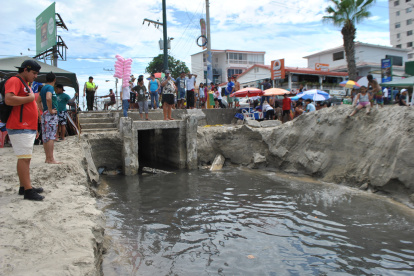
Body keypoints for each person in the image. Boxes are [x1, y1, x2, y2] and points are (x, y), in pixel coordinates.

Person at [4, 60, 44, 200]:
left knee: (24, 157)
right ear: (25, 70)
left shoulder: (24, 83)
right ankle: (28, 191)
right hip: (20, 125)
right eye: (33, 73)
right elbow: (9, 99)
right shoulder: (15, 80)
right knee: (24, 158)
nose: (35, 76)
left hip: (26, 126)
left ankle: (24, 186)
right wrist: (31, 98)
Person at [37, 72, 61, 164]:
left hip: (45, 114)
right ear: (54, 79)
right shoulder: (50, 87)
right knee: (51, 136)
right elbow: (48, 98)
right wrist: (50, 110)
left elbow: (38, 101)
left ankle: (47, 158)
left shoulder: (43, 88)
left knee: (46, 136)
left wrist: (44, 110)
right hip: (50, 115)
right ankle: (51, 159)